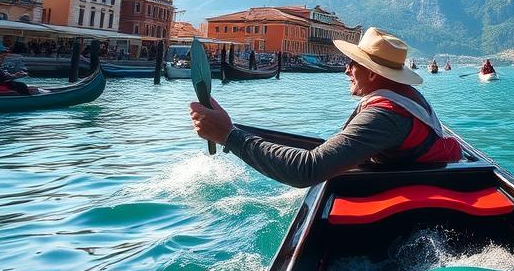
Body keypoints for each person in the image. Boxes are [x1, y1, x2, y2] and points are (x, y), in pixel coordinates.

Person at [189, 27, 462, 188]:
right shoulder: (404, 98)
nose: (346, 70)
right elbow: (327, 151)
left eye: (352, 64)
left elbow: (307, 170)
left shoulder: (384, 115)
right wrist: (232, 130)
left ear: (372, 73)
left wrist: (229, 136)